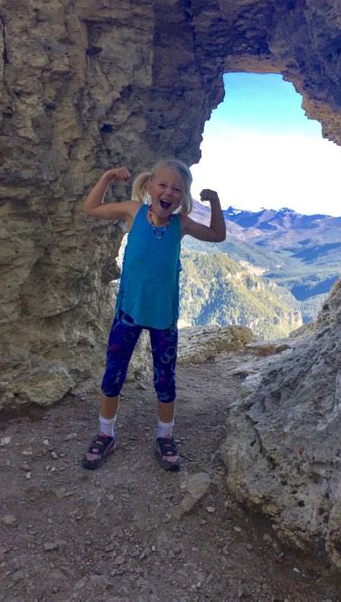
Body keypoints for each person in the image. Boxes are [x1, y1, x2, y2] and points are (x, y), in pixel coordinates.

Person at [82, 159, 226, 471]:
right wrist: (107, 175)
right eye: (163, 185)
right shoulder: (133, 212)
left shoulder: (181, 224)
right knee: (114, 373)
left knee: (165, 379)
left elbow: (217, 234)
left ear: (182, 197)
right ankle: (105, 434)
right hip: (129, 312)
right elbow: (92, 207)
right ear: (149, 187)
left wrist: (214, 201)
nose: (169, 192)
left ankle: (164, 437)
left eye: (177, 189)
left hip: (164, 318)